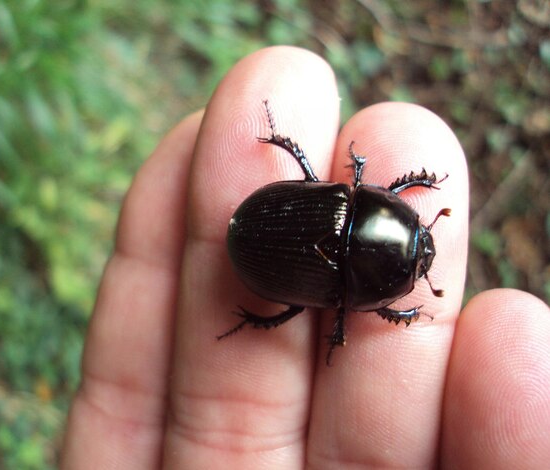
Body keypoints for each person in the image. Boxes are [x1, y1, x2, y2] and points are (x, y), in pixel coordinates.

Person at [60, 46, 550, 469]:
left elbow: (381, 191)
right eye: (421, 226)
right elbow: (361, 311)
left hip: (272, 246)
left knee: (303, 170)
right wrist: (400, 309)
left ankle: (274, 150)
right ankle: (252, 311)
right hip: (270, 246)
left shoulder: (354, 201)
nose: (423, 244)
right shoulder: (350, 285)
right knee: (293, 308)